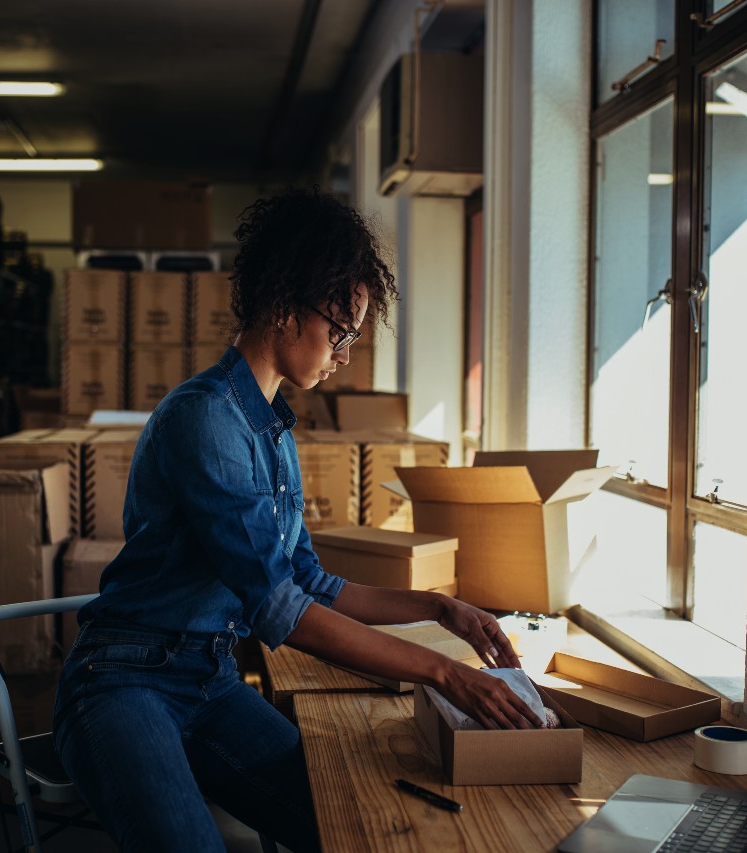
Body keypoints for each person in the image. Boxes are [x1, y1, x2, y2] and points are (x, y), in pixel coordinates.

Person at [54, 186, 543, 852]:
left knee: (351, 822)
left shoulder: (274, 430)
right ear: (285, 308)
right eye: (339, 333)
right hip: (123, 680)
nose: (344, 354)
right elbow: (279, 610)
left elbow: (309, 581)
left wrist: (437, 606)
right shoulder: (207, 420)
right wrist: (444, 671)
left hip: (210, 680)